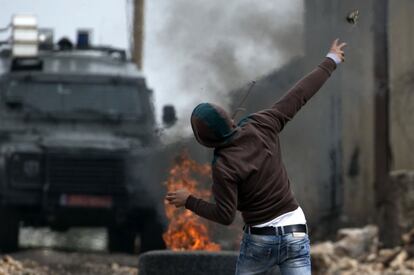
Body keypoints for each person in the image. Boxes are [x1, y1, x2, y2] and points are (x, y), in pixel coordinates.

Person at [166, 39, 347, 275]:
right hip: (296, 229)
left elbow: (225, 215)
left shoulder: (224, 167)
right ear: (231, 120)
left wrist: (188, 200)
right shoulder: (262, 124)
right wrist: (330, 60)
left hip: (261, 241)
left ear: (207, 141)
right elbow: (299, 94)